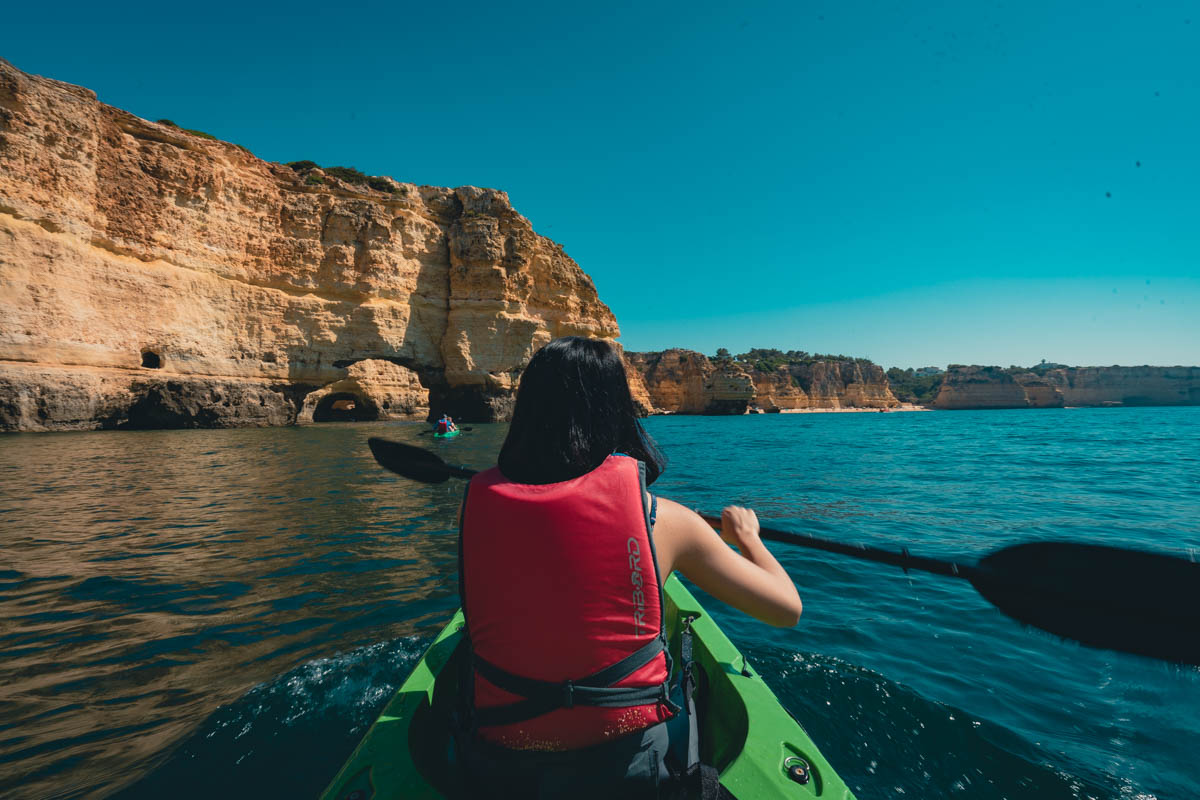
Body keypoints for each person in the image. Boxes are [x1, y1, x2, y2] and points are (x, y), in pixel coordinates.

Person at [452, 336, 802, 798]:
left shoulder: (475, 506)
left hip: (502, 761)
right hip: (629, 765)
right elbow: (785, 609)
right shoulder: (668, 521)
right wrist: (748, 538)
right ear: (616, 408)